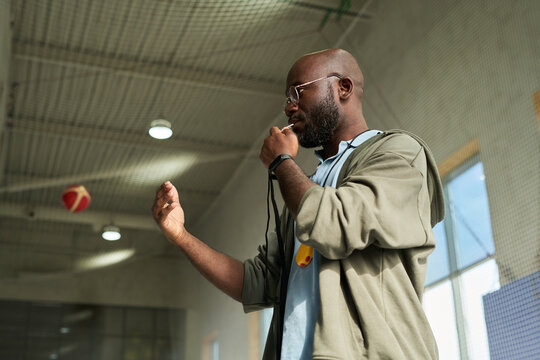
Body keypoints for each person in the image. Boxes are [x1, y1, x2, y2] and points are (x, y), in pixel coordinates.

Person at [152, 48, 445, 360]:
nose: (290, 107)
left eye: (299, 91)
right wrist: (180, 235)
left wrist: (281, 161)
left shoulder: (399, 152)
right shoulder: (308, 189)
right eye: (287, 98)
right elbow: (256, 283)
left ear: (342, 88)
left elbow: (335, 223)